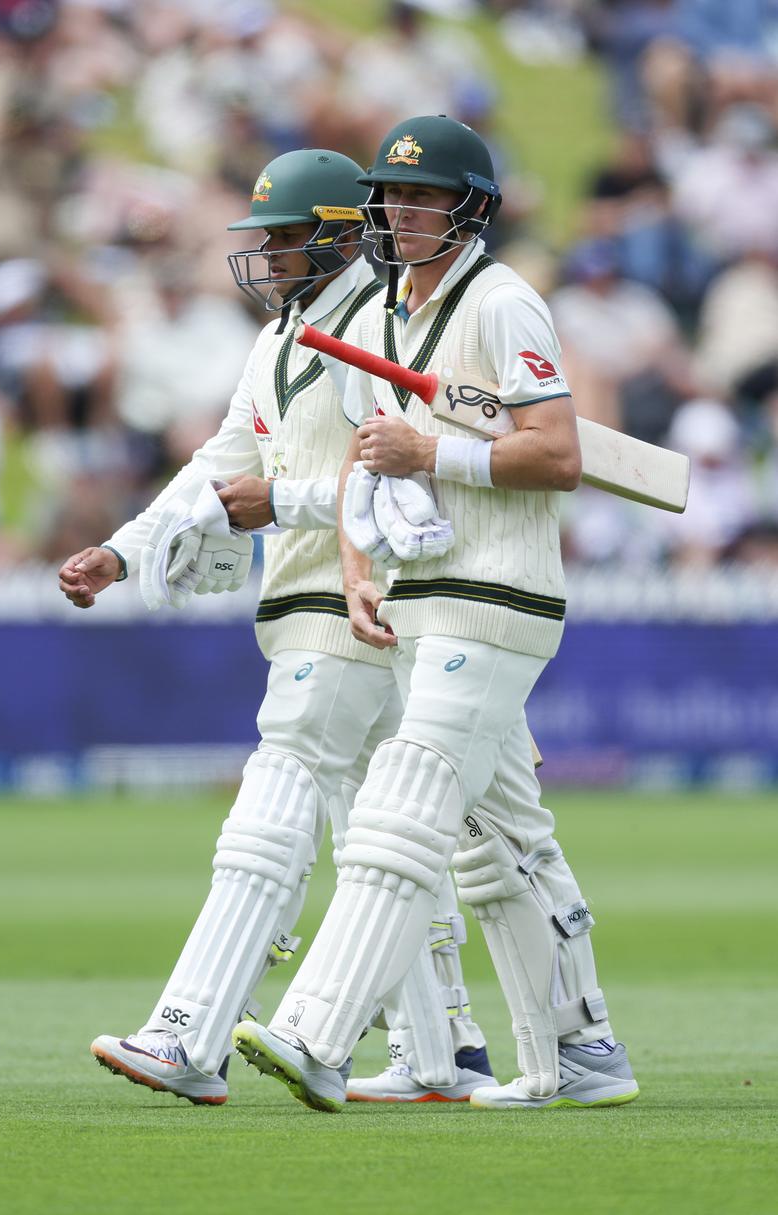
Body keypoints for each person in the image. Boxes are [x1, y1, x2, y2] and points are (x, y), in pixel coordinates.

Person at [57, 147, 495, 1106]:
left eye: (288, 237)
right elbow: (215, 465)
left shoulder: (379, 326)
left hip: (358, 601)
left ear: (342, 236)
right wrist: (123, 550)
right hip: (316, 608)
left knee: (274, 809)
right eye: (264, 238)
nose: (267, 255)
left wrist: (282, 500)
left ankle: (188, 1037)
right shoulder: (282, 338)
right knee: (377, 837)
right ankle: (441, 1052)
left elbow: (397, 470)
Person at [233, 115, 639, 1113]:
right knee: (500, 840)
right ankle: (582, 1053)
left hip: (497, 590)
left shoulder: (503, 304)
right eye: (391, 196)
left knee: (401, 798)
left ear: (471, 209)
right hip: (421, 590)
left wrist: (441, 455)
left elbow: (559, 455)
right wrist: (360, 568)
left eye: (424, 196)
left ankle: (315, 1035)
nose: (402, 212)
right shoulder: (381, 317)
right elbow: (374, 457)